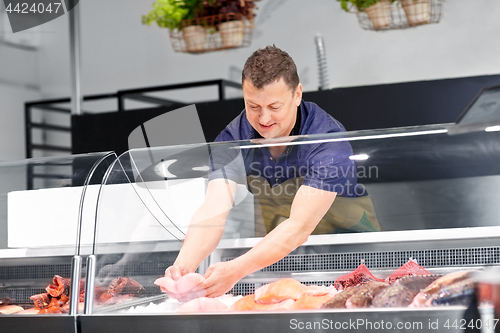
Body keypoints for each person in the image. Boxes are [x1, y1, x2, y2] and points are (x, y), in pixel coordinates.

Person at [166, 46, 379, 299]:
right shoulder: (234, 138)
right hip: (276, 256)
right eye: (253, 105)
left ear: (297, 94)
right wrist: (183, 266)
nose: (263, 118)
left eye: (274, 106)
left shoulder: (327, 141)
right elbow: (214, 209)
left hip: (348, 257)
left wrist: (235, 270)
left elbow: (300, 226)